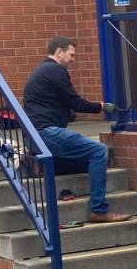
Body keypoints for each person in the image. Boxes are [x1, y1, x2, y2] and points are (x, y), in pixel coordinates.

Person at [21, 36, 130, 223]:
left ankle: (41, 164)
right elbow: (75, 102)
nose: (73, 59)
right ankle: (98, 209)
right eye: (71, 55)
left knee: (89, 162)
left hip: (34, 137)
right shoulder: (56, 70)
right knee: (99, 151)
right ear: (59, 52)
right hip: (46, 133)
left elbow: (63, 104)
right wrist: (101, 106)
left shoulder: (42, 70)